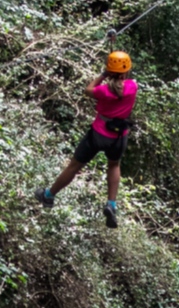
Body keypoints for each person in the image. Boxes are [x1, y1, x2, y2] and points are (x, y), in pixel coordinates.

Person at [36, 51, 137, 228]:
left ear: (109, 70)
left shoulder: (103, 91)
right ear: (126, 71)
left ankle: (49, 195)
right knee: (114, 165)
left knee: (74, 166)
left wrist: (104, 74)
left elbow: (87, 90)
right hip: (119, 137)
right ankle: (111, 204)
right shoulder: (132, 87)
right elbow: (124, 82)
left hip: (98, 134)